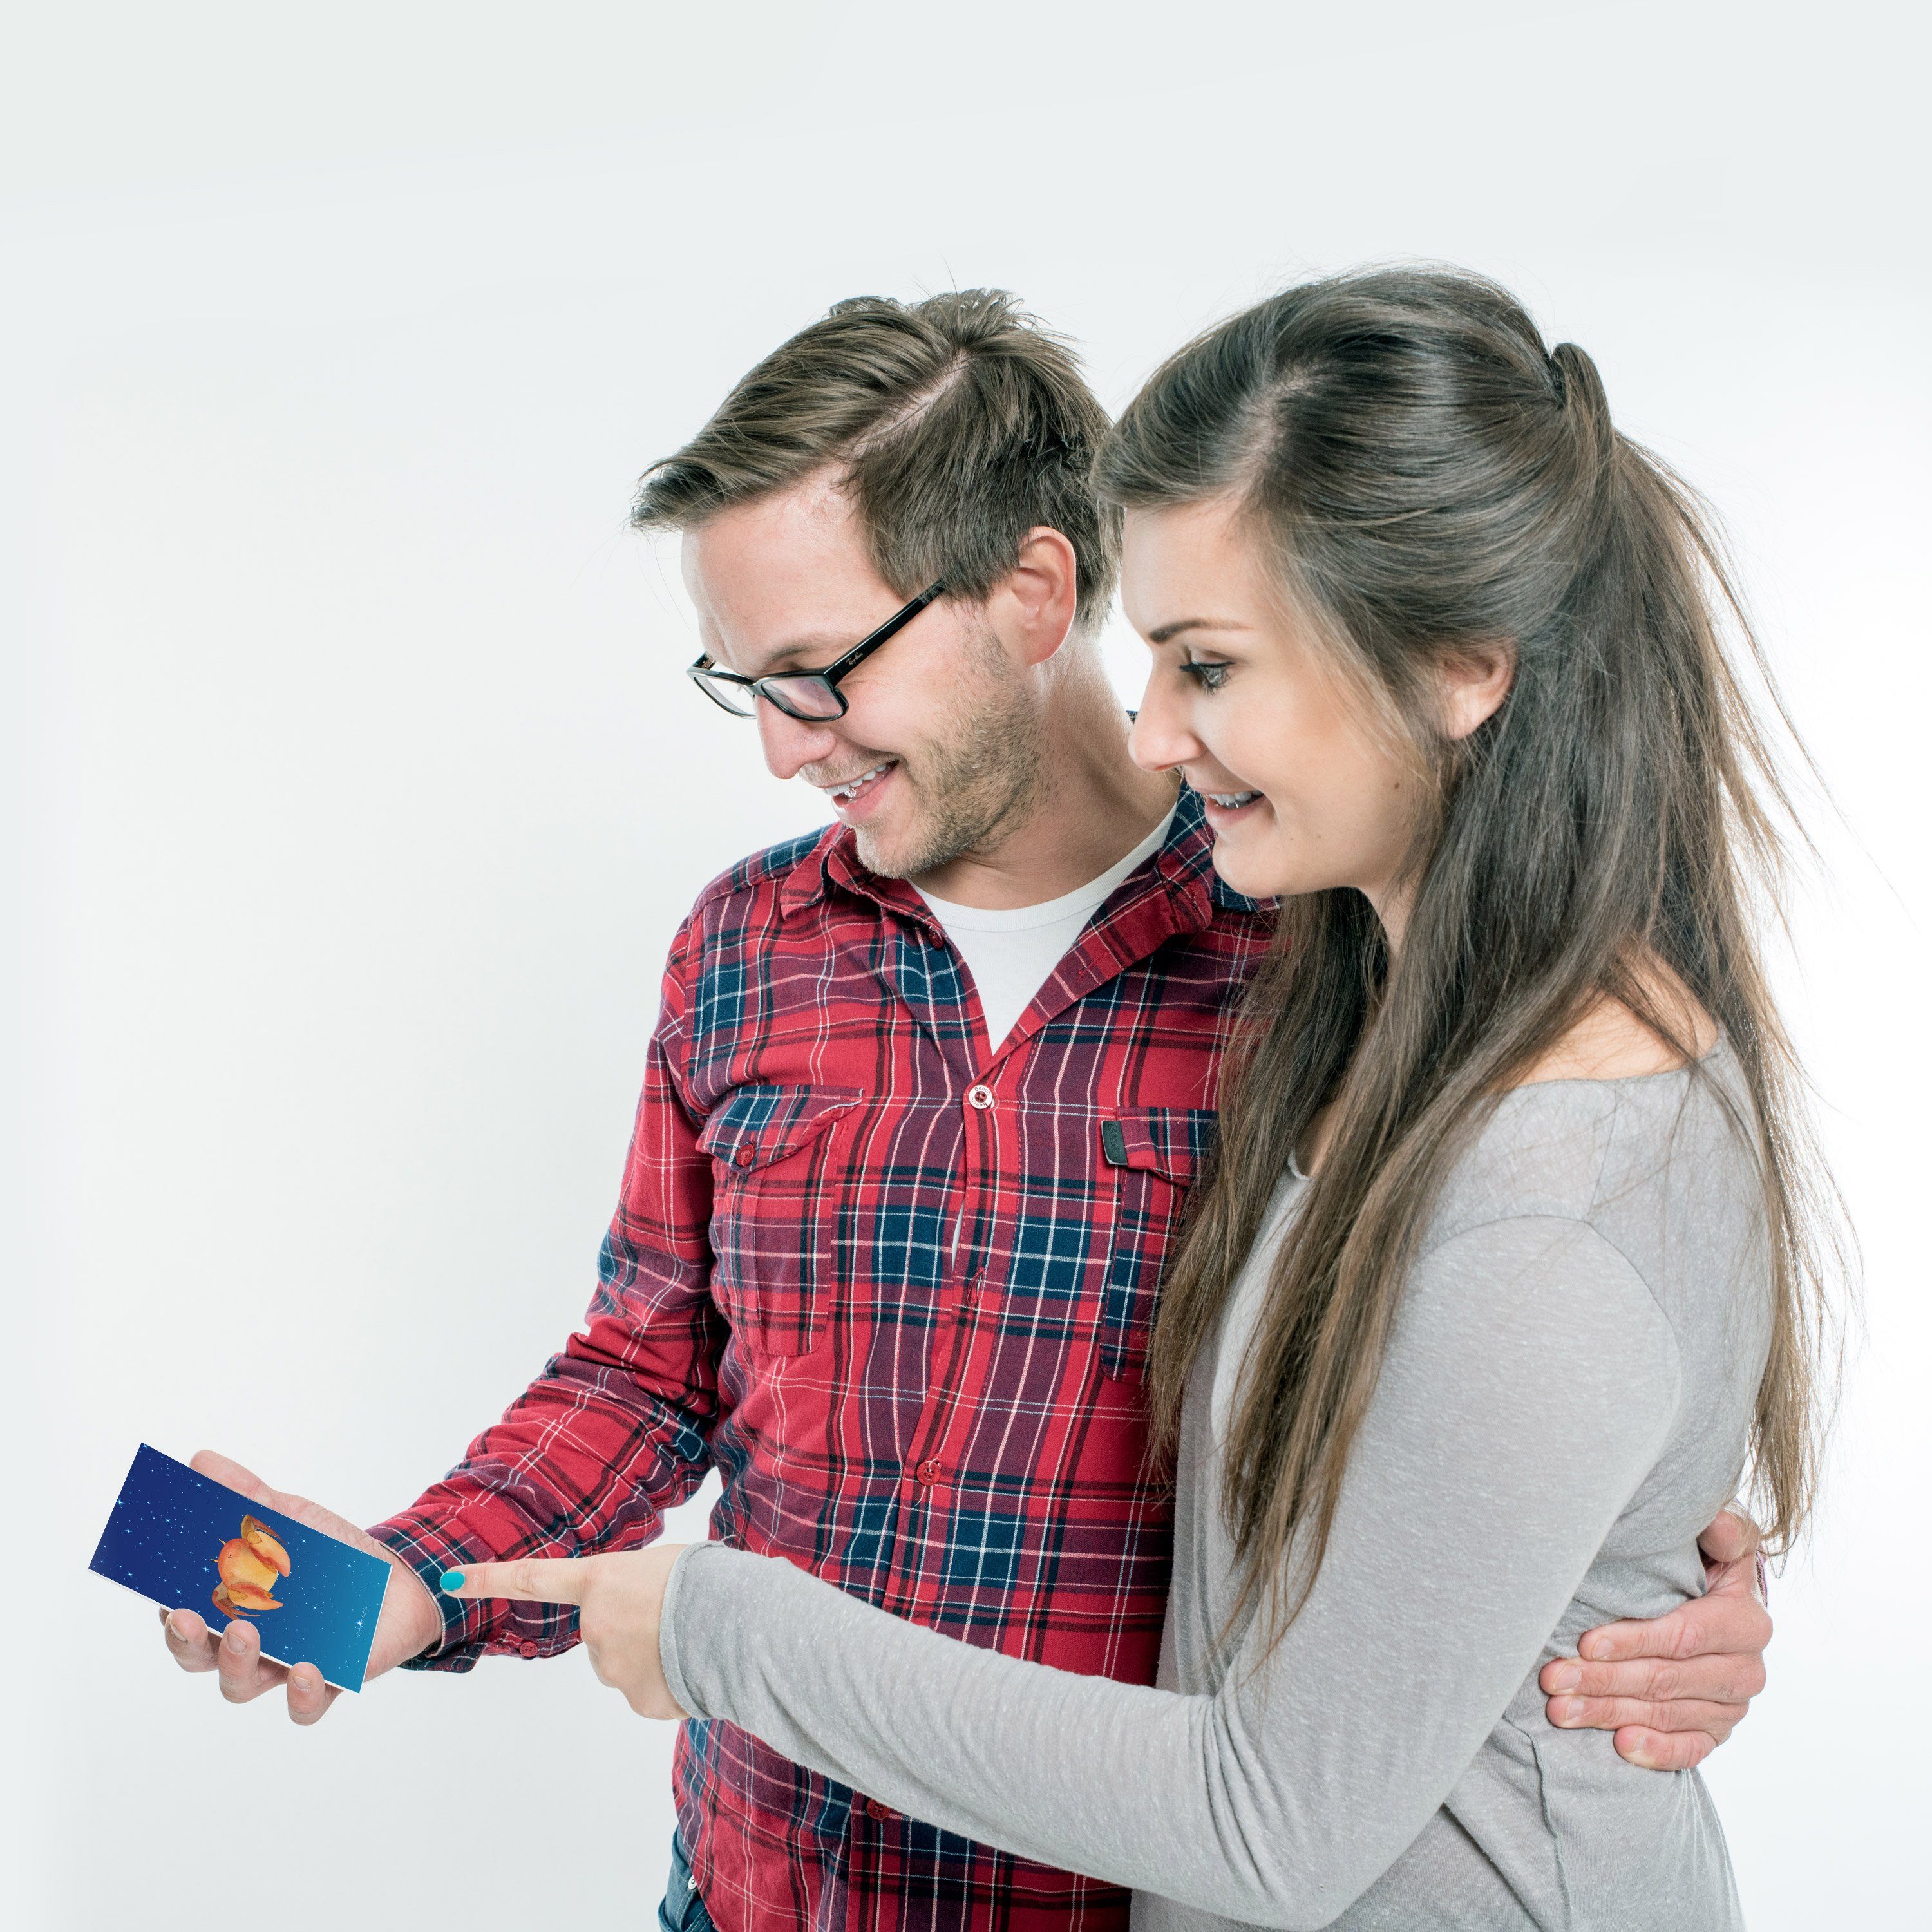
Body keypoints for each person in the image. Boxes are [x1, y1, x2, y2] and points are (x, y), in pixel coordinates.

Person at [162, 289, 1776, 1932]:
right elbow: (648, 1370)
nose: (788, 751)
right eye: (747, 687)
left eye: (818, 673)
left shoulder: (1322, 950)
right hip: (759, 1888)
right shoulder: (745, 949)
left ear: (1031, 592)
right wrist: (415, 1584)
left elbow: (1533, 1333)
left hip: (1110, 1895)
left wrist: (1647, 1585)